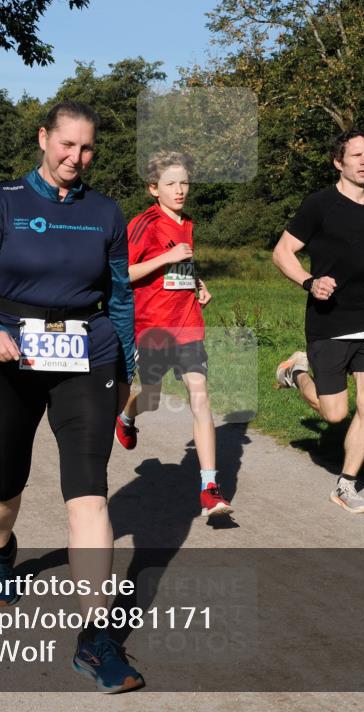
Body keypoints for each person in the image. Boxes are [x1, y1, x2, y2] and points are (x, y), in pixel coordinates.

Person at [0, 101, 144, 694]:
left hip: (85, 354)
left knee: (88, 493)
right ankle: (0, 549)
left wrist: (127, 373)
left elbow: (120, 296)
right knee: (5, 481)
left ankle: (94, 640)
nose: (75, 158)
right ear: (44, 139)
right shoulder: (4, 200)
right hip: (8, 355)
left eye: (87, 149)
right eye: (66, 145)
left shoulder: (106, 212)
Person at [272, 129, 364, 514]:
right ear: (339, 162)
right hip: (328, 321)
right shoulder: (319, 205)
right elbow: (282, 251)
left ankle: (346, 485)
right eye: (357, 155)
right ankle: (297, 369)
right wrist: (309, 281)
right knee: (335, 414)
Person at [114, 151, 233, 518]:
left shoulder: (188, 222)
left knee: (200, 396)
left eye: (184, 183)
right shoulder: (143, 223)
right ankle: (126, 417)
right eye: (171, 184)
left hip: (188, 324)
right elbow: (122, 273)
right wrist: (165, 260)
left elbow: (181, 266)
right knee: (149, 398)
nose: (180, 190)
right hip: (152, 327)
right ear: (154, 189)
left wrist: (197, 284)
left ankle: (209, 488)